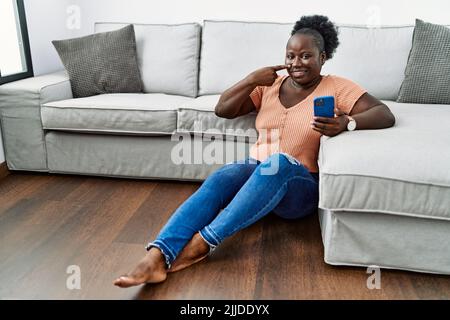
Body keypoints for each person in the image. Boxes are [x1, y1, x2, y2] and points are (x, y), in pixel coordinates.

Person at [114, 15, 395, 288]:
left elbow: (384, 113)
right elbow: (223, 109)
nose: (296, 63)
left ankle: (203, 243)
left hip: (300, 186)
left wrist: (347, 122)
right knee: (225, 174)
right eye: (291, 55)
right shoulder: (269, 86)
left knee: (278, 163)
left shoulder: (337, 86)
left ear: (323, 57)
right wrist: (251, 79)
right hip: (255, 174)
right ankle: (157, 256)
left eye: (306, 56)